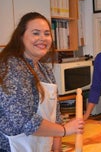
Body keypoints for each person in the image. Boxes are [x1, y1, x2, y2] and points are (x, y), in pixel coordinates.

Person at [0, 12, 84, 152]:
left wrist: (57, 149)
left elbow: (55, 116)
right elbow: (24, 121)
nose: (42, 38)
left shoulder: (45, 70)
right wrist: (64, 130)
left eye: (46, 33)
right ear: (20, 36)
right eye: (36, 33)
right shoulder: (11, 67)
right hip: (14, 147)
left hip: (40, 145)